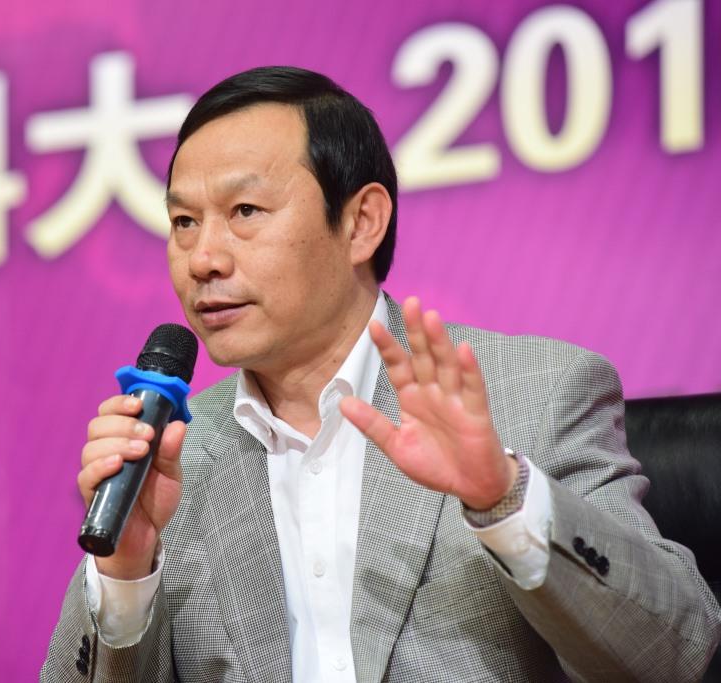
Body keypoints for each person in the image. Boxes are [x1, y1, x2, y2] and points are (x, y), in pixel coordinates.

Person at [41, 66, 720, 682]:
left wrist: (503, 496)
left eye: (245, 212)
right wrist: (126, 572)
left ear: (361, 222)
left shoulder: (535, 390)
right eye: (184, 221)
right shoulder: (172, 455)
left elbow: (677, 654)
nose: (202, 258)